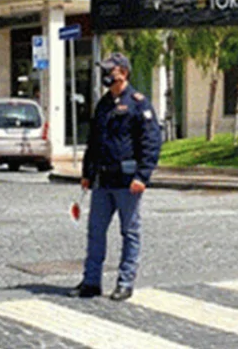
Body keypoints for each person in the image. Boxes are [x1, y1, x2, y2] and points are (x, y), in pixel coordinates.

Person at [71, 52, 162, 302]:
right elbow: (94, 142)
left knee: (129, 232)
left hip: (127, 181)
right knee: (95, 232)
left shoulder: (138, 103)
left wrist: (143, 176)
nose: (105, 75)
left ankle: (125, 281)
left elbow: (151, 142)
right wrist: (87, 173)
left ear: (123, 72)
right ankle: (91, 281)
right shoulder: (103, 104)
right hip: (102, 180)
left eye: (110, 71)